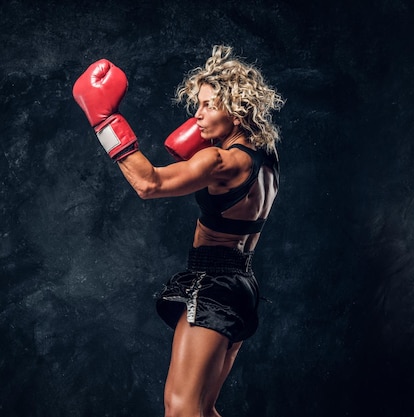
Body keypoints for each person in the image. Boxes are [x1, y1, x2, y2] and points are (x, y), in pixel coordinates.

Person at [72, 45, 284, 417]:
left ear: (236, 110)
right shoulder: (266, 156)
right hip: (243, 285)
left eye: (208, 105)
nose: (198, 116)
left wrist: (105, 120)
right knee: (205, 407)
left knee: (180, 409)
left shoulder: (219, 160)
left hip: (213, 283)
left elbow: (148, 183)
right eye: (197, 105)